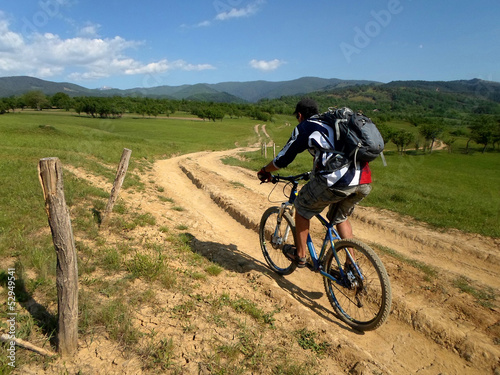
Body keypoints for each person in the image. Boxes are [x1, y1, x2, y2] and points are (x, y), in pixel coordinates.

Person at [257, 98, 372, 268]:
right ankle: (351, 264)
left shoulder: (306, 126)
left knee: (302, 208)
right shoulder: (333, 123)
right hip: (363, 178)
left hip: (338, 179)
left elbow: (284, 158)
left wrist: (265, 171)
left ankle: (300, 255)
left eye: (297, 117)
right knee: (339, 217)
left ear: (300, 115)